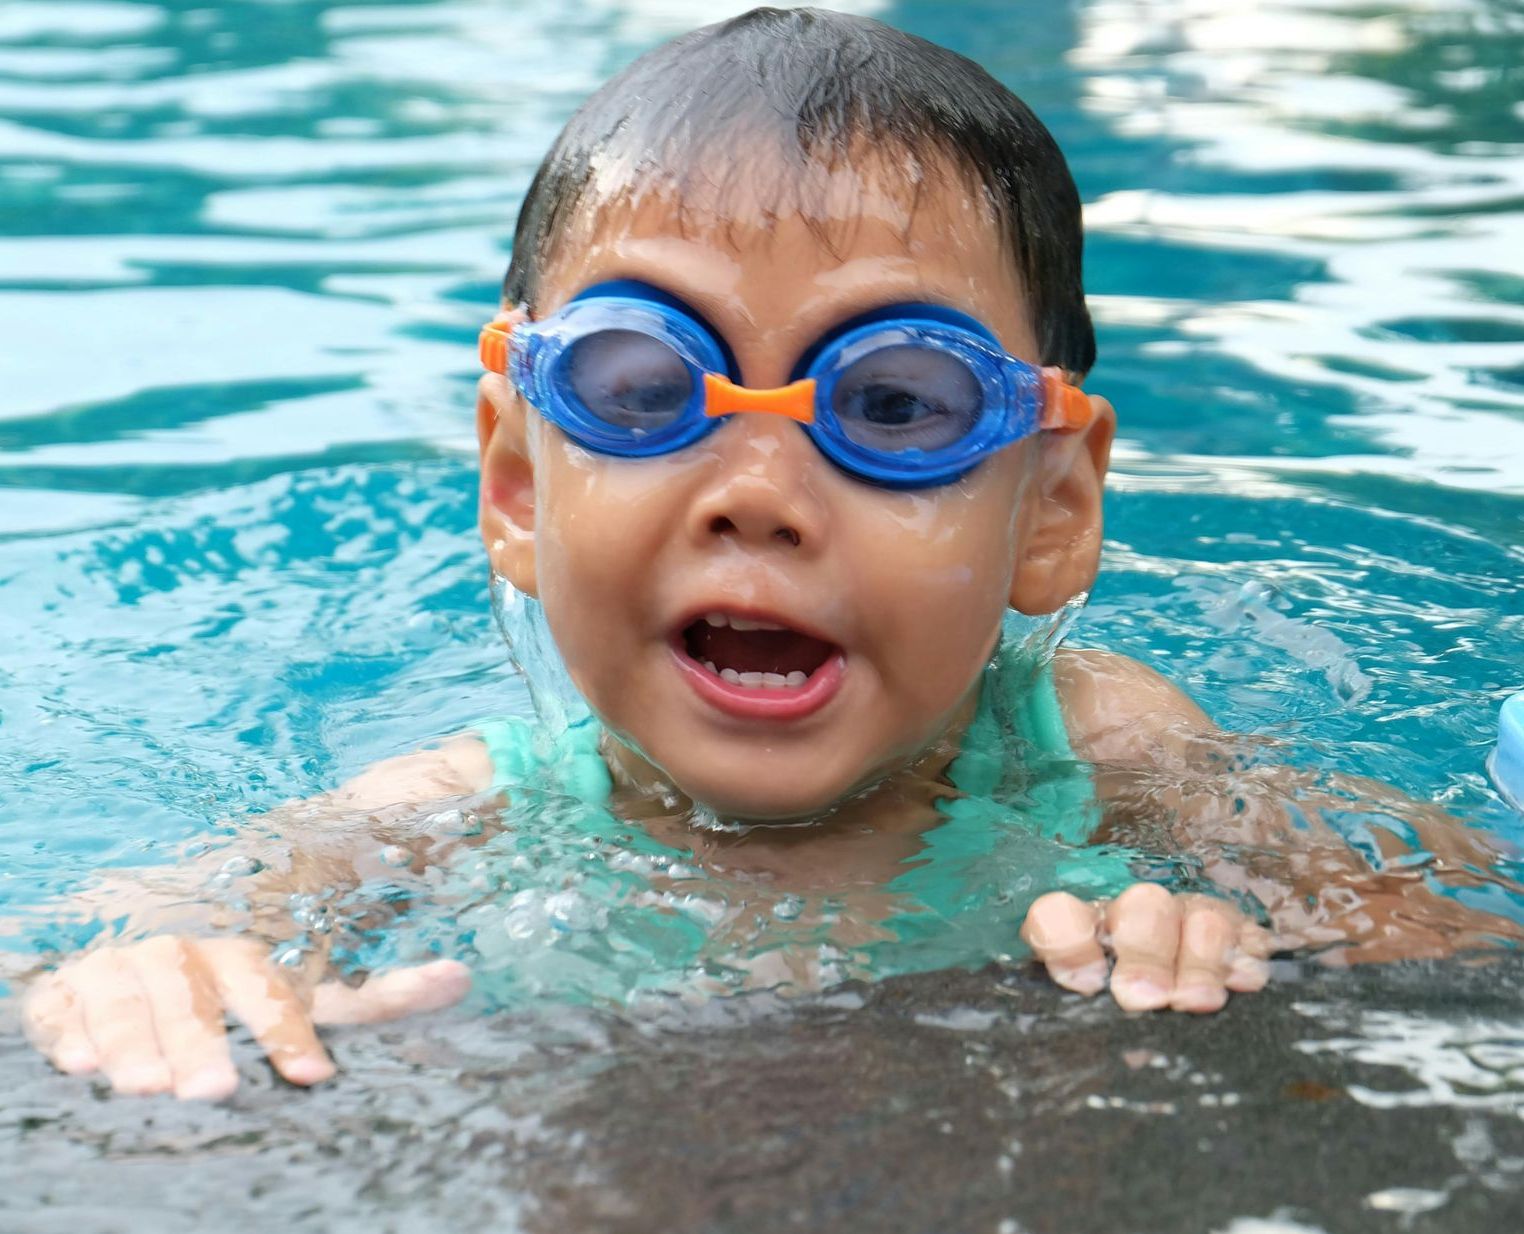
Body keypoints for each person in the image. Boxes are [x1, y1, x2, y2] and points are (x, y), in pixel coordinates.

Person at [19, 7, 1519, 1101]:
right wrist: (152, 970)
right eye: (639, 388)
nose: (758, 494)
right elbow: (164, 917)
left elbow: (1440, 941)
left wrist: (1230, 945)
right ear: (516, 483)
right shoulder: (464, 806)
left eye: (893, 403)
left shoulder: (1103, 748)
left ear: (1051, 511)